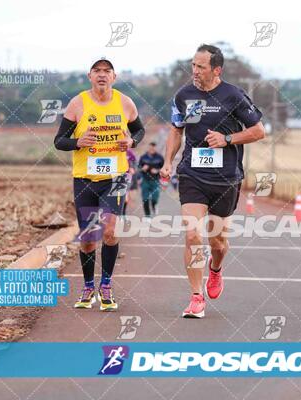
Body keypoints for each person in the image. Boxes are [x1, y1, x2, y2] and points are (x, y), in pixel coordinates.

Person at [160, 44, 265, 318]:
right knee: (193, 234)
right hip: (192, 174)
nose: (195, 71)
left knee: (217, 242)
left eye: (201, 67)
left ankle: (216, 269)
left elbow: (258, 131)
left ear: (216, 70)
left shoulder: (234, 96)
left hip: (226, 177)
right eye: (193, 65)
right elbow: (176, 130)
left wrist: (227, 139)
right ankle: (196, 297)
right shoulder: (184, 95)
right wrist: (168, 161)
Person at [54, 57, 145, 311]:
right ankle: (87, 286)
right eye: (97, 71)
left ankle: (105, 285)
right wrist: (78, 142)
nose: (102, 75)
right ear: (90, 76)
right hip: (84, 178)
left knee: (110, 231)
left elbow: (139, 131)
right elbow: (59, 141)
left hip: (115, 178)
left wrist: (132, 142)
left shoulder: (125, 103)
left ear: (114, 77)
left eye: (107, 71)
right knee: (88, 238)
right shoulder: (77, 103)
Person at [138, 142, 165, 219]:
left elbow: (164, 169)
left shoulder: (160, 157)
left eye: (153, 148)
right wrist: (143, 169)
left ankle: (154, 206)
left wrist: (157, 170)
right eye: (150, 148)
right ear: (148, 148)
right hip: (145, 180)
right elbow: (139, 168)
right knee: (145, 198)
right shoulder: (143, 157)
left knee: (154, 198)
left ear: (155, 148)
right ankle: (147, 216)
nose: (152, 149)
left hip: (155, 180)